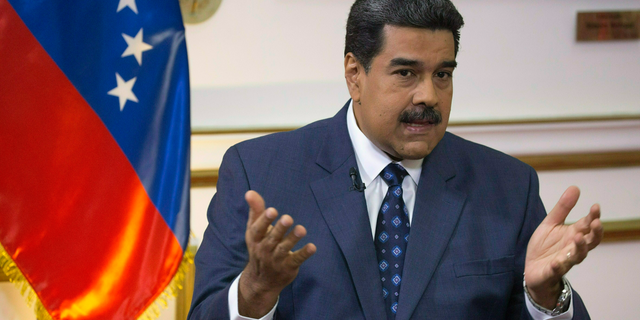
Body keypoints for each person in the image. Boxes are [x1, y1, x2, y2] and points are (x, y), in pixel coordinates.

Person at [188, 0, 603, 319]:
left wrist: (546, 298)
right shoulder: (260, 172)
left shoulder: (508, 186)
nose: (429, 95)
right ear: (355, 74)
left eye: (443, 74)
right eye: (406, 73)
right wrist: (254, 292)